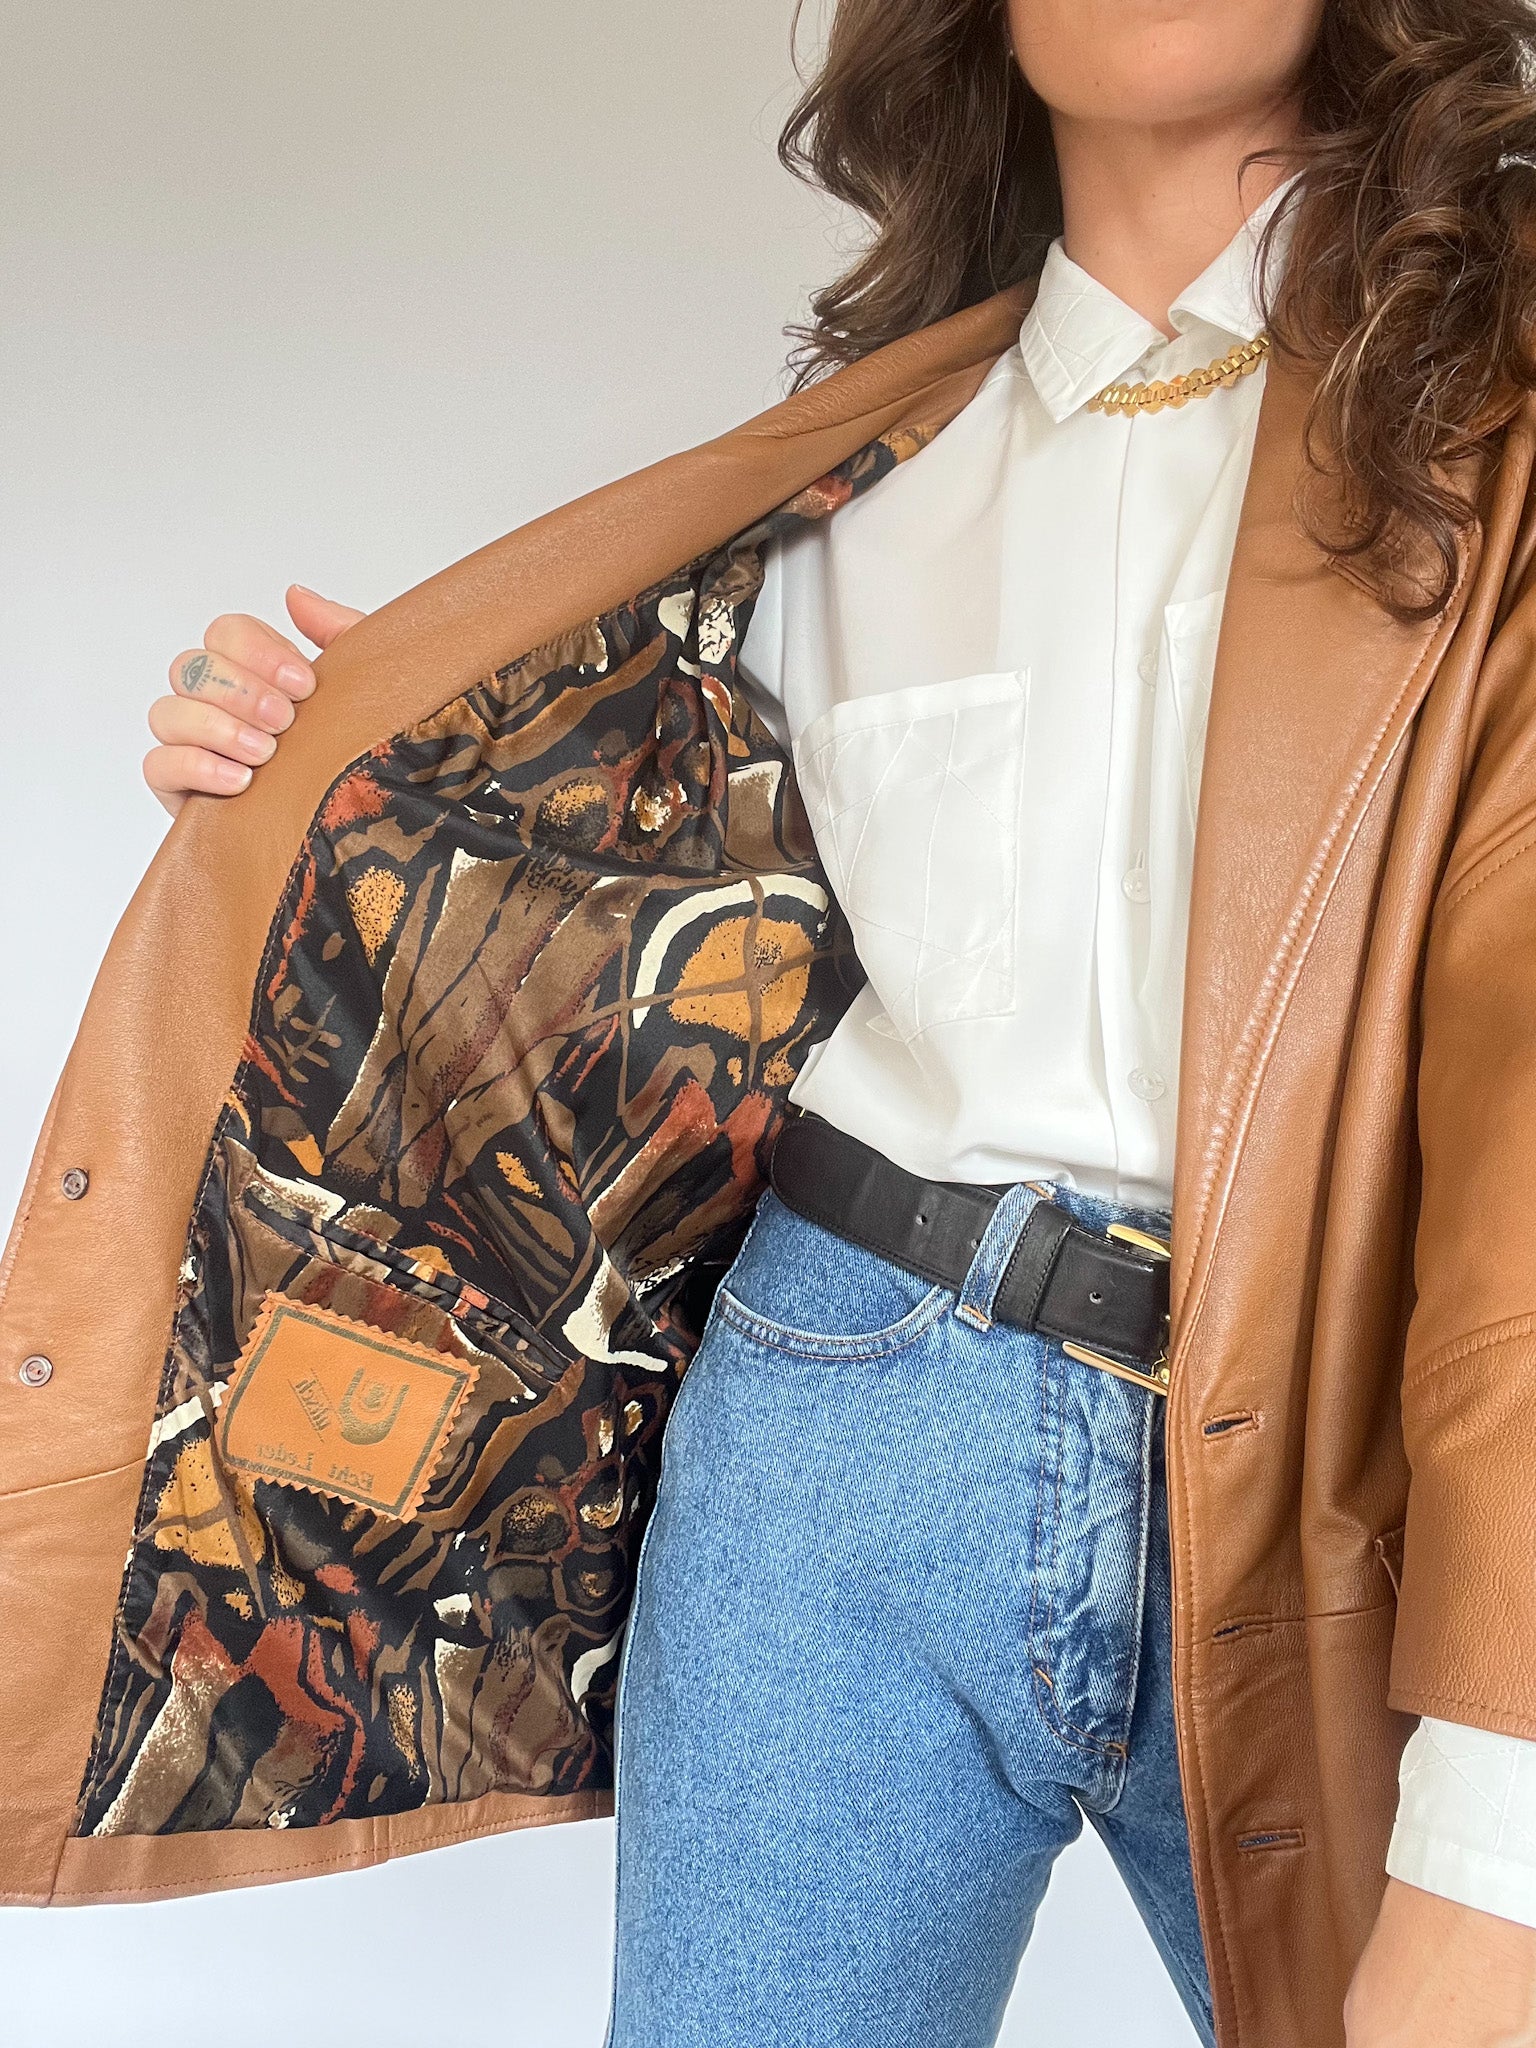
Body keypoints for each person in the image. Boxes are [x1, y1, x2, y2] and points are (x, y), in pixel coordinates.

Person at [44, 0, 1536, 2042]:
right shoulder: (849, 484)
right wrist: (328, 774)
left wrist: (1503, 1835)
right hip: (837, 1420)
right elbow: (617, 931)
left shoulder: (1498, 445)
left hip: (1324, 1459)